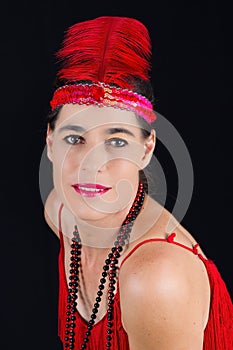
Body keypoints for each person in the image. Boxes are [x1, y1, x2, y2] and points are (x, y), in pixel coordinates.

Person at [43, 16, 233, 350]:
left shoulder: (156, 278)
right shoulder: (60, 211)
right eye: (75, 138)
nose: (92, 165)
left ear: (146, 150)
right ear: (50, 143)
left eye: (116, 141)